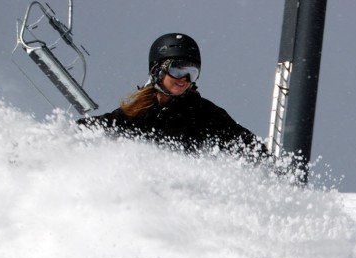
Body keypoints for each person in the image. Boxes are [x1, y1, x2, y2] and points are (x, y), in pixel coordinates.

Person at [79, 33, 272, 166]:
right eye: (178, 70)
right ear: (158, 70)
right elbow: (101, 127)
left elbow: (249, 146)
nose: (184, 80)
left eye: (192, 73)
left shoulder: (205, 114)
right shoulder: (140, 111)